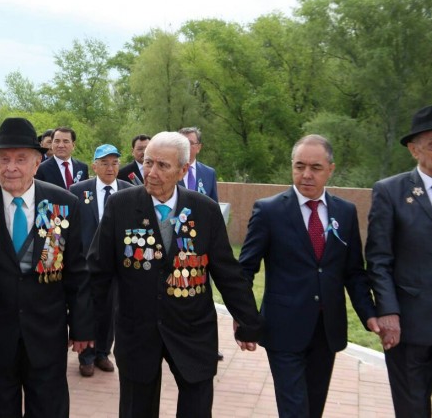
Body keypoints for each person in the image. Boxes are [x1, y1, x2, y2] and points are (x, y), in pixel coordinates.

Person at [88, 131, 262, 418]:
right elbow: (98, 271)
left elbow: (227, 272)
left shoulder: (204, 211)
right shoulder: (121, 205)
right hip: (137, 331)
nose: (151, 172)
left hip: (192, 330)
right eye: (148, 163)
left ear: (183, 170)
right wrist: (83, 324)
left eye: (163, 165)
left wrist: (248, 320)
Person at [0, 117, 93, 418]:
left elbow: (77, 271)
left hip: (46, 333)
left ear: (37, 162)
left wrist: (82, 326)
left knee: (49, 410)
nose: (11, 167)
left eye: (20, 159)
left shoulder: (63, 203)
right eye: (3, 159)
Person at [239, 134, 378, 418]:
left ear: (330, 169)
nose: (306, 174)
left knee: (313, 409)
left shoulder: (345, 212)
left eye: (315, 167)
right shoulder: (269, 211)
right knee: (294, 410)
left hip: (326, 330)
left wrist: (370, 314)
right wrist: (244, 317)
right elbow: (245, 269)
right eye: (299, 166)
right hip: (282, 329)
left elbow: (353, 272)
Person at [366, 105, 432, 417]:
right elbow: (379, 259)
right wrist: (388, 312)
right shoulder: (390, 192)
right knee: (412, 410)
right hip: (410, 326)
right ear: (413, 149)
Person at [70, 144, 131, 377]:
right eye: (104, 163)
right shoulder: (78, 190)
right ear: (94, 166)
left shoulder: (128, 191)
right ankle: (86, 356)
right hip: (86, 261)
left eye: (114, 163)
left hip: (115, 263)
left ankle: (103, 353)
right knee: (87, 308)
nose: (110, 168)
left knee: (110, 309)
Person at [177, 127, 218, 201]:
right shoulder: (169, 171)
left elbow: (213, 205)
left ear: (198, 148)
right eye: (183, 143)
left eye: (191, 143)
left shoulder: (209, 173)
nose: (187, 146)